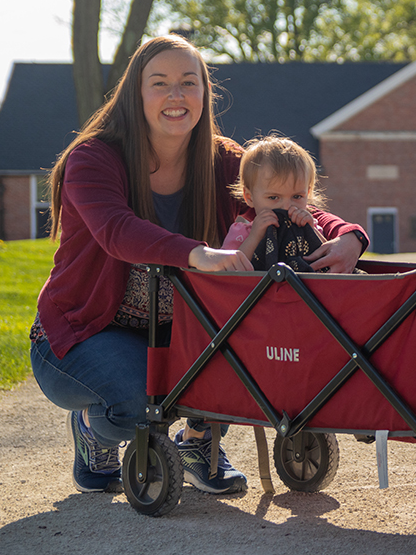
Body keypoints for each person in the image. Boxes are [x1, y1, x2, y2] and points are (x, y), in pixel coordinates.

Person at [30, 35, 368, 496]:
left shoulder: (225, 162)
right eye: (160, 83)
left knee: (241, 353)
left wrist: (348, 235)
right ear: (137, 93)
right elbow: (116, 230)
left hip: (181, 327)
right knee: (139, 403)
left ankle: (198, 444)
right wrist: (198, 253)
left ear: (204, 93)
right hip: (86, 330)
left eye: (189, 83)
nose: (176, 95)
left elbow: (284, 196)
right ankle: (93, 430)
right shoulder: (94, 159)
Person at [222, 135, 328, 271]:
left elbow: (329, 261)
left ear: (307, 194)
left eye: (297, 196)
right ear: (249, 197)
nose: (286, 207)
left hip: (303, 291)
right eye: (273, 198)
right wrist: (255, 236)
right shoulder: (241, 233)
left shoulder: (310, 226)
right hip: (257, 291)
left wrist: (312, 231)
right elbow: (229, 271)